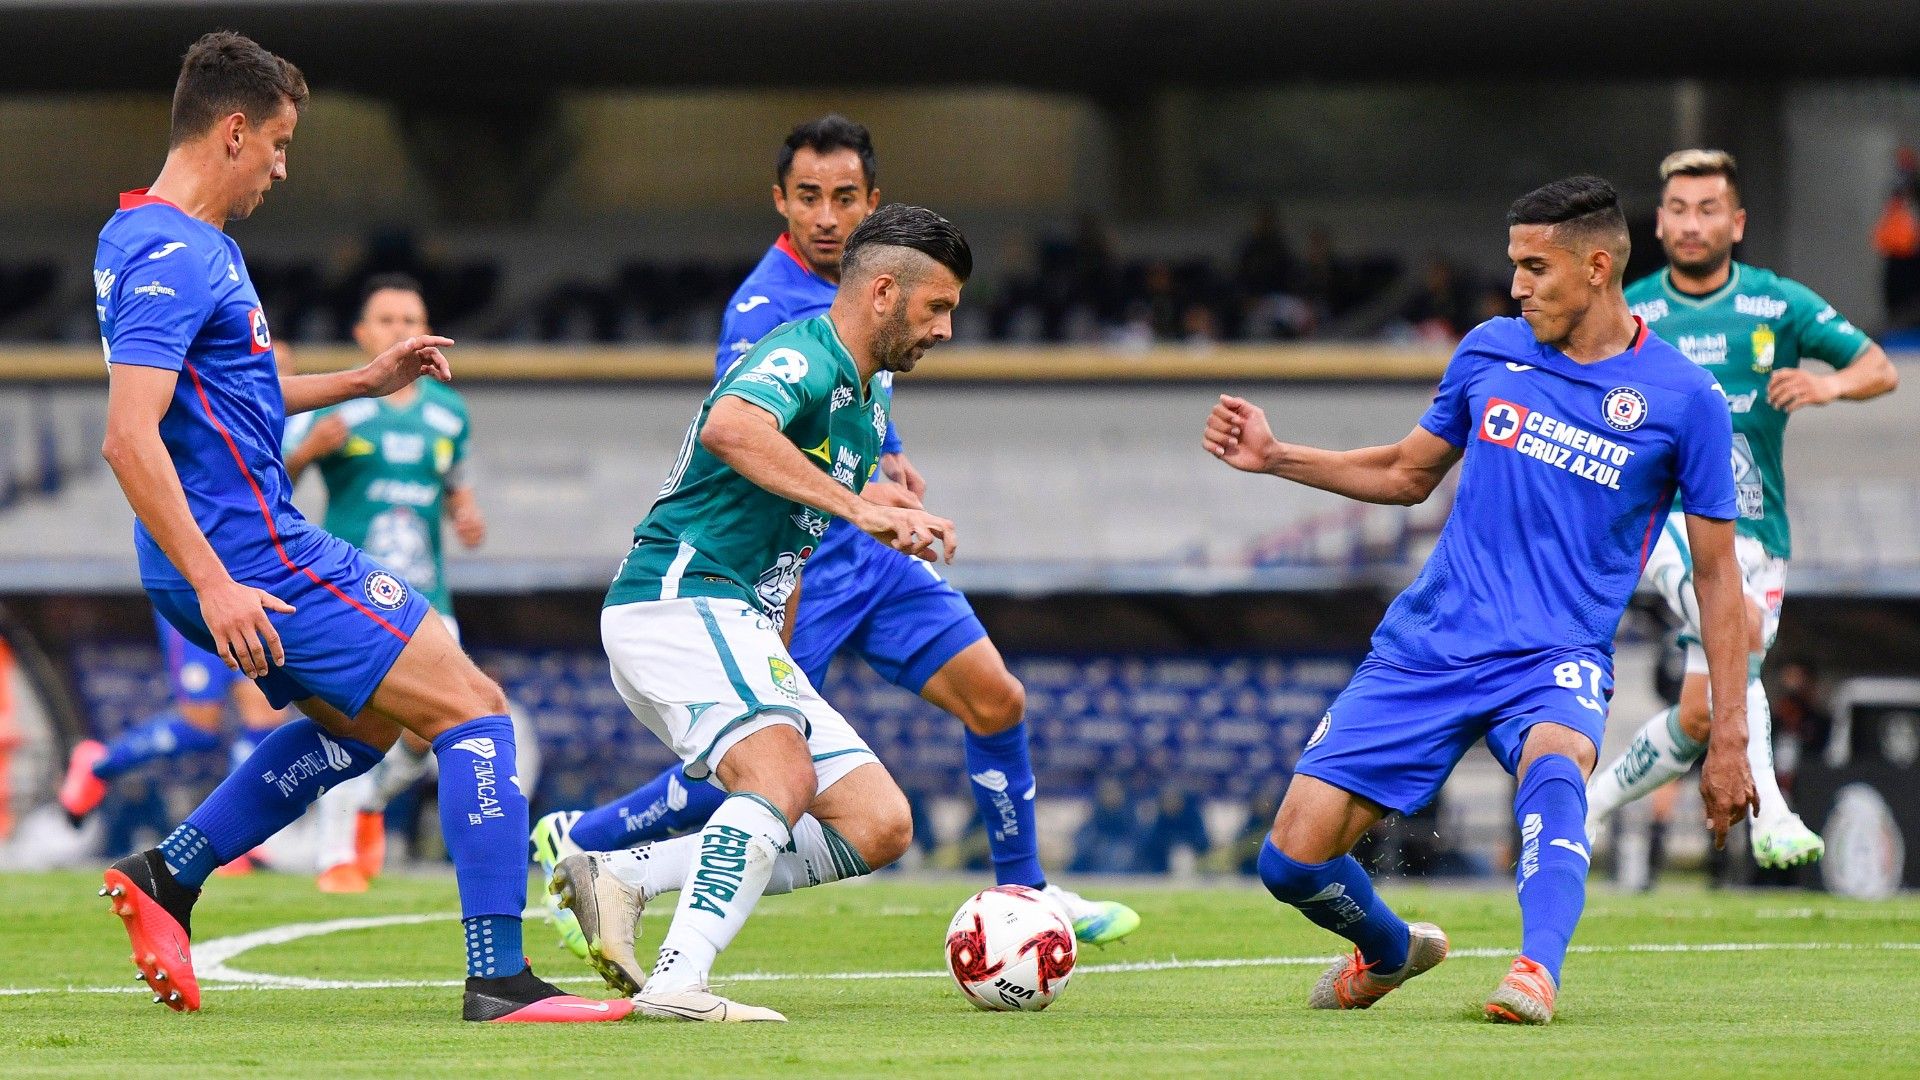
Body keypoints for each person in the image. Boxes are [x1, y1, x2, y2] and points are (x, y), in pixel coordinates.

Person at [89, 31, 626, 1023]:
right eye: (281, 143)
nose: (284, 167)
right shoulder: (170, 247)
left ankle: (170, 876)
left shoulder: (180, 243)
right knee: (472, 706)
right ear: (235, 131)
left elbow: (237, 394)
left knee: (368, 726)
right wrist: (215, 581)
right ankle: (499, 980)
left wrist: (366, 380)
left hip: (226, 542)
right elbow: (128, 438)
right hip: (252, 550)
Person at [531, 115, 1136, 957]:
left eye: (843, 197)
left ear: (871, 205)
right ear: (780, 202)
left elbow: (853, 426)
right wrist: (855, 511)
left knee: (994, 698)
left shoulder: (884, 314)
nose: (825, 215)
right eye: (807, 197)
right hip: (788, 563)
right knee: (761, 773)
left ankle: (1023, 891)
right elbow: (748, 435)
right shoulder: (769, 313)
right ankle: (588, 842)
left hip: (867, 556)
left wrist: (891, 471)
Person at [1202, 176, 1758, 1025]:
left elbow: (1719, 577)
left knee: (1559, 759)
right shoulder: (1491, 350)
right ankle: (1391, 951)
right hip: (1428, 644)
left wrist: (1729, 735)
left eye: (1537, 267)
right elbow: (1405, 474)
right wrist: (1278, 456)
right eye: (1515, 266)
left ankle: (1536, 971)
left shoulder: (1685, 400)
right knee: (1289, 865)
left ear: (1599, 266)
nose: (1517, 286)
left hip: (1555, 654)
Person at [551, 204, 967, 1022]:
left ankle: (627, 874)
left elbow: (793, 536)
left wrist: (782, 656)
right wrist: (863, 509)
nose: (947, 329)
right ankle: (678, 981)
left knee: (877, 822)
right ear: (884, 291)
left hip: (737, 616)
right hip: (679, 598)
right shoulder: (802, 352)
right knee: (780, 775)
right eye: (938, 307)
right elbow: (731, 426)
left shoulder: (867, 391)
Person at [1586, 150, 1898, 870]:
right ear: (1659, 223)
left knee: (1702, 711)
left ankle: (1588, 808)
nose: (1693, 224)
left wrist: (1827, 388)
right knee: (1741, 633)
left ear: (1737, 221)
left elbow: (1877, 366)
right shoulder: (1632, 312)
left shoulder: (1777, 303)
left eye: (1708, 209)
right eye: (1679, 210)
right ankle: (1774, 815)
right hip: (1659, 519)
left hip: (1757, 528)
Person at [283, 274, 531, 894]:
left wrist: (465, 515)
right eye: (388, 320)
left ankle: (366, 798)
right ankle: (335, 858)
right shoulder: (334, 404)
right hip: (352, 594)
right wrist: (310, 447)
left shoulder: (448, 410)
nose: (401, 330)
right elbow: (266, 485)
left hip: (428, 593)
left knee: (429, 732)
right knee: (357, 718)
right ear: (363, 333)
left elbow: (456, 489)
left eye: (411, 319)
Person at [58, 613, 285, 866]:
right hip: (199, 603)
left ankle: (242, 837)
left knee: (266, 717)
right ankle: (102, 762)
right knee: (198, 726)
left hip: (252, 598)